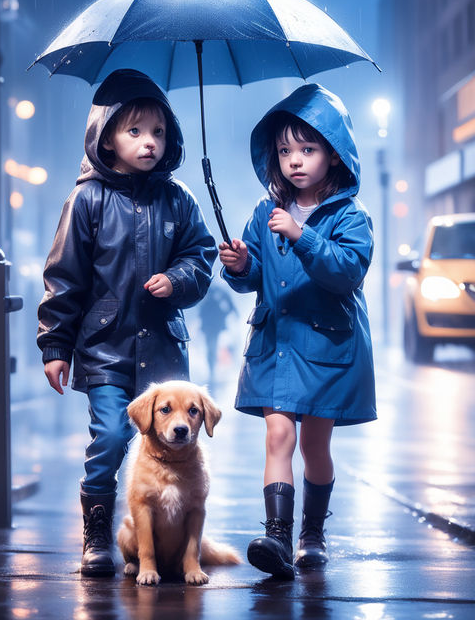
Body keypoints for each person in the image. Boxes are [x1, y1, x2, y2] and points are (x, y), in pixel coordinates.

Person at [37, 69, 217, 576]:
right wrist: (55, 345)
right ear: (106, 137)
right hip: (105, 349)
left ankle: (174, 542)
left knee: (175, 445)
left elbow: (201, 259)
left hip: (162, 350)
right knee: (113, 438)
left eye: (158, 132)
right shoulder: (88, 199)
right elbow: (64, 276)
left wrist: (178, 280)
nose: (149, 142)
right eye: (135, 131)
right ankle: (97, 533)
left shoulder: (178, 200)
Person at [219, 83, 376, 579]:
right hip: (277, 345)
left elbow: (346, 271)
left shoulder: (350, 216)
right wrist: (241, 264)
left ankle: (312, 532)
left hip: (327, 348)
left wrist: (303, 234)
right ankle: (277, 537)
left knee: (315, 448)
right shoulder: (263, 214)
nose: (295, 160)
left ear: (333, 154)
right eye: (285, 150)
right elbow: (252, 278)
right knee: (278, 436)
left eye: (307, 149)